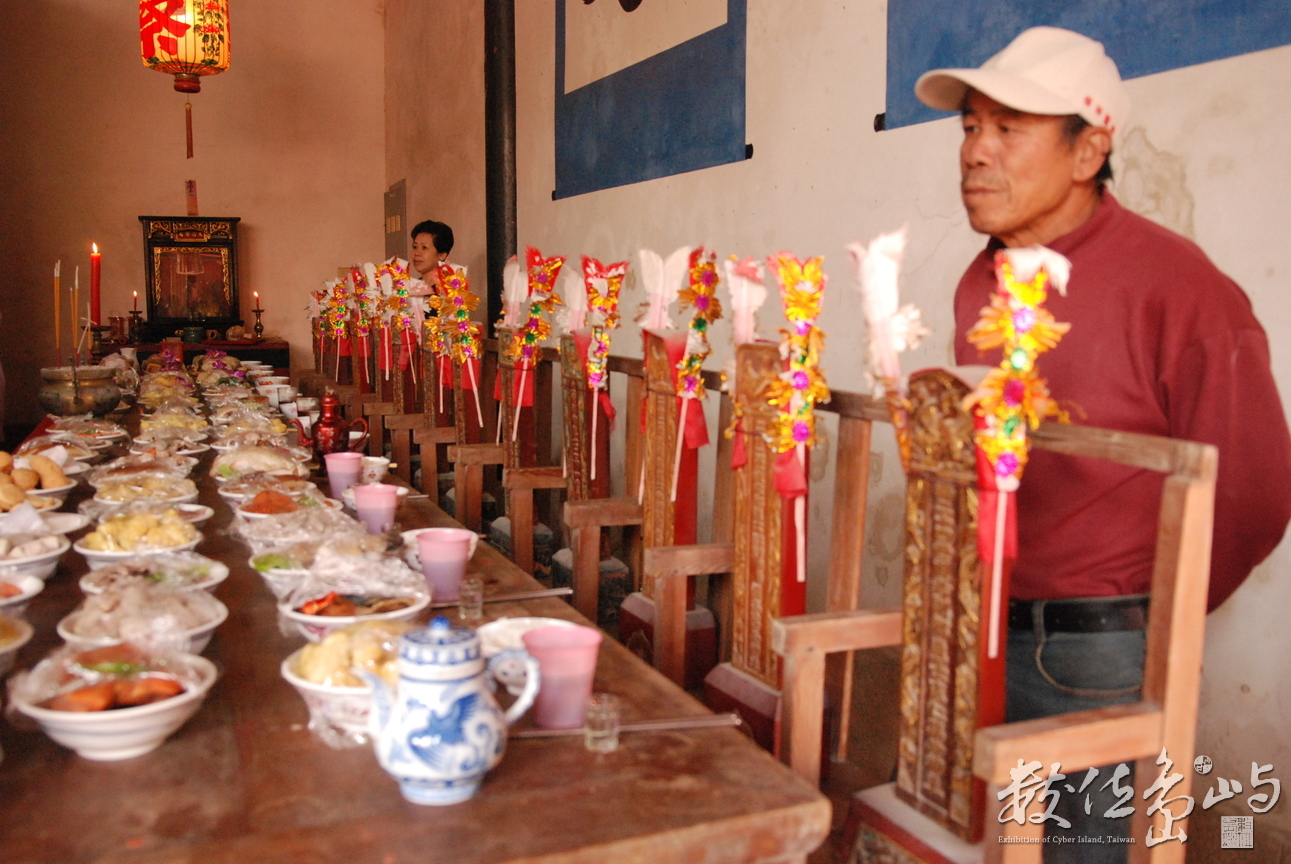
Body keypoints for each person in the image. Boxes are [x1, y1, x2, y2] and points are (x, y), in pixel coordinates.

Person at [915, 26, 1291, 859]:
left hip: (1101, 655)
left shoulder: (1178, 288)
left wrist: (1149, 628)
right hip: (979, 629)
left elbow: (1252, 493)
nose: (975, 151)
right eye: (970, 126)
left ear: (1088, 152)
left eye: (1007, 129)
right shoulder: (981, 279)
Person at [408, 220, 455, 296]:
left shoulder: (449, 293)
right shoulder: (410, 289)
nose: (416, 253)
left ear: (442, 255)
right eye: (415, 247)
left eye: (424, 247)